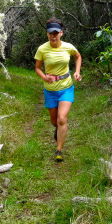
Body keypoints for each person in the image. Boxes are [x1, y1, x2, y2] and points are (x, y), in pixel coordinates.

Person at [34, 17, 82, 162]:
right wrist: (44, 77)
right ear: (47, 33)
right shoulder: (42, 49)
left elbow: (78, 56)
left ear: (61, 32)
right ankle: (59, 130)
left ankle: (59, 150)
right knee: (55, 122)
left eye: (56, 33)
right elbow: (37, 68)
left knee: (62, 119)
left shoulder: (68, 47)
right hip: (50, 90)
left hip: (66, 87)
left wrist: (77, 71)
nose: (53, 36)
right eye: (50, 33)